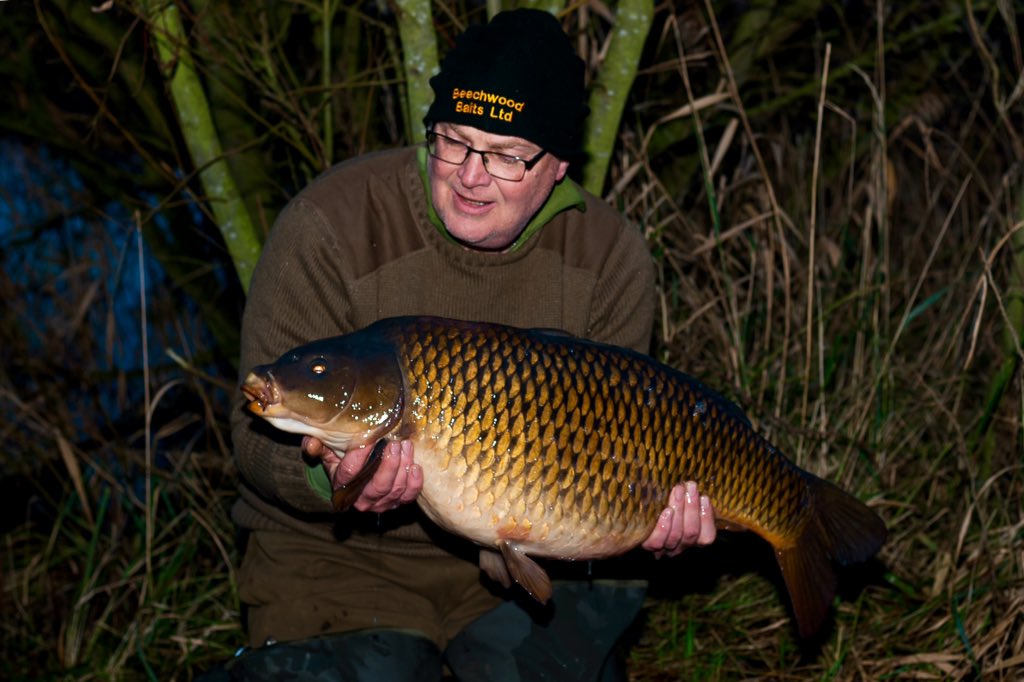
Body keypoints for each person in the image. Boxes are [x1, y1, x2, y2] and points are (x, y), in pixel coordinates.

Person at [226, 9, 715, 681]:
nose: (470, 176)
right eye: (453, 141)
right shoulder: (330, 225)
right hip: (334, 560)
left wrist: (646, 518)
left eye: (506, 156)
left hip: (533, 568)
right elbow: (253, 442)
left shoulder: (609, 258)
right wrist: (327, 476)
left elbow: (621, 454)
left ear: (557, 166)